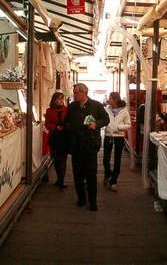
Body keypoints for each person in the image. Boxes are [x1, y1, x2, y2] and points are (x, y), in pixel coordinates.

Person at [63, 83, 109, 211]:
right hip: (76, 146)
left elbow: (106, 119)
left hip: (90, 146)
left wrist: (96, 124)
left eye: (76, 93)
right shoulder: (72, 107)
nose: (74, 95)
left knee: (91, 175)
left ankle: (93, 202)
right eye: (74, 92)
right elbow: (66, 122)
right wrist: (69, 128)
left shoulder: (96, 105)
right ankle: (81, 199)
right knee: (77, 175)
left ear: (84, 93)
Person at [103, 92, 132, 192]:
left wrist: (119, 128)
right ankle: (108, 173)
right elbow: (103, 120)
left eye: (110, 98)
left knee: (117, 159)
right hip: (108, 136)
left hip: (119, 137)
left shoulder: (124, 111)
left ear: (115, 100)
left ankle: (113, 181)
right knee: (105, 159)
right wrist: (106, 127)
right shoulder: (106, 110)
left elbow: (129, 124)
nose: (108, 100)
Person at [45, 92, 68, 190]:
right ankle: (59, 179)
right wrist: (55, 127)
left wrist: (64, 127)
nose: (61, 101)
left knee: (63, 159)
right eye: (59, 99)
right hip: (54, 137)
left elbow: (70, 122)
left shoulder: (67, 110)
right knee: (56, 160)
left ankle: (61, 181)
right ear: (54, 100)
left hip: (64, 137)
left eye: (62, 99)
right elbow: (47, 124)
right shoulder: (49, 111)